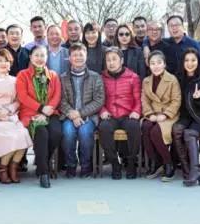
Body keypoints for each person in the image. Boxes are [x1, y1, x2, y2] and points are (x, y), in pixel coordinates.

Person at [0, 49, 33, 184]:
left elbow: (19, 100)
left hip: (11, 115)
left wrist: (10, 109)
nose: (4, 63)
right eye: (0, 61)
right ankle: (2, 168)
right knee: (10, 137)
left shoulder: (15, 80)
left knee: (23, 134)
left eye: (7, 61)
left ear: (10, 64)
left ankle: (13, 167)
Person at [16, 45, 62, 188]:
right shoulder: (23, 75)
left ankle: (42, 161)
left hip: (50, 112)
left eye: (42, 55)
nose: (39, 58)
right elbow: (22, 96)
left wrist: (47, 110)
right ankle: (43, 172)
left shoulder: (53, 75)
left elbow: (57, 95)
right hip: (31, 113)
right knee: (41, 132)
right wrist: (40, 109)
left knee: (56, 132)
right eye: (36, 55)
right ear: (30, 57)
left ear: (47, 57)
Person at [172, 48, 200, 187]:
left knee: (189, 133)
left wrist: (199, 99)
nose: (190, 63)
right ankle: (186, 169)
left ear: (199, 61)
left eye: (193, 60)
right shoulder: (179, 77)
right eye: (187, 60)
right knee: (177, 129)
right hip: (186, 115)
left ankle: (195, 171)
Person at [59, 43, 104, 178]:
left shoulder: (95, 77)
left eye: (81, 54)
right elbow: (60, 100)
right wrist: (72, 114)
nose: (78, 57)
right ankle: (71, 164)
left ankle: (86, 165)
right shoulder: (63, 78)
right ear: (69, 58)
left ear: (86, 56)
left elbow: (99, 100)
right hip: (69, 116)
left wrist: (80, 113)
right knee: (68, 132)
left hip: (89, 116)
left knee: (85, 132)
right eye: (75, 55)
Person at [99, 47, 141, 180]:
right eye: (108, 60)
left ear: (121, 60)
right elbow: (98, 98)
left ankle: (131, 163)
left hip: (128, 114)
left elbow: (138, 99)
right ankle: (114, 163)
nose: (111, 63)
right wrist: (102, 110)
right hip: (110, 115)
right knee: (104, 128)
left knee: (134, 127)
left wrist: (136, 111)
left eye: (114, 59)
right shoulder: (101, 77)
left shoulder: (133, 77)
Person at [142, 51, 182, 181]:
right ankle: (156, 162)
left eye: (159, 63)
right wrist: (150, 114)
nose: (156, 66)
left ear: (164, 64)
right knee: (146, 127)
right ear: (149, 65)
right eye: (152, 63)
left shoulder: (172, 79)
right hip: (153, 113)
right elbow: (144, 100)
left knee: (155, 131)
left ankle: (168, 163)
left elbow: (176, 100)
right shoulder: (146, 81)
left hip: (169, 115)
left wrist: (165, 115)